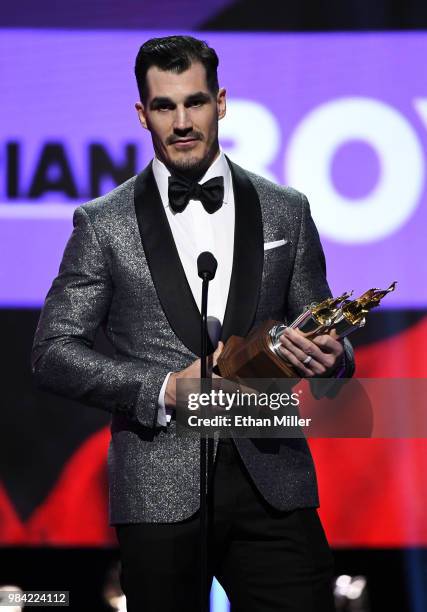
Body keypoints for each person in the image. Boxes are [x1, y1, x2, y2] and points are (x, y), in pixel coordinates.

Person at [31, 35, 354, 612]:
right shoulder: (103, 224)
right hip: (160, 486)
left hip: (272, 480)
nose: (182, 121)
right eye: (164, 106)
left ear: (221, 102)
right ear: (142, 114)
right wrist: (160, 389)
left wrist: (335, 359)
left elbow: (322, 325)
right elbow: (52, 351)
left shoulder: (287, 208)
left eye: (196, 102)